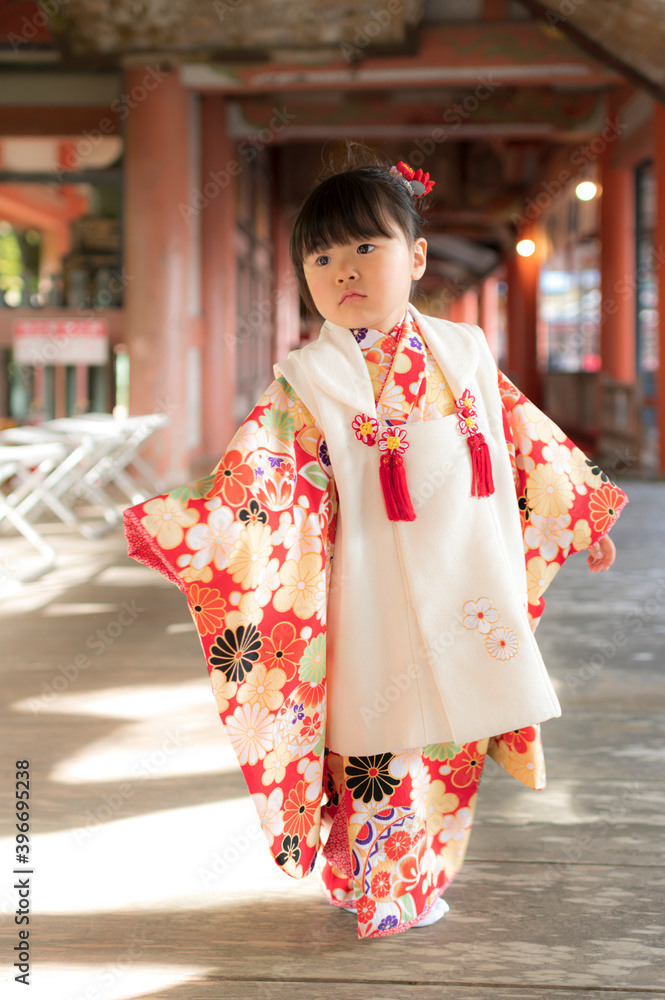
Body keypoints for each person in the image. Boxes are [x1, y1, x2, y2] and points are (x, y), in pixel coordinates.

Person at [123, 146, 628, 939]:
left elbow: (526, 440)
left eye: (366, 245)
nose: (343, 268)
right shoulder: (304, 381)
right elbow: (263, 479)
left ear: (416, 257)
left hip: (463, 588)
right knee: (373, 748)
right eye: (320, 255)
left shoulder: (463, 354)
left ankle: (408, 871)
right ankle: (384, 888)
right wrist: (194, 531)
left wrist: (583, 509)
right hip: (363, 603)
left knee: (447, 744)